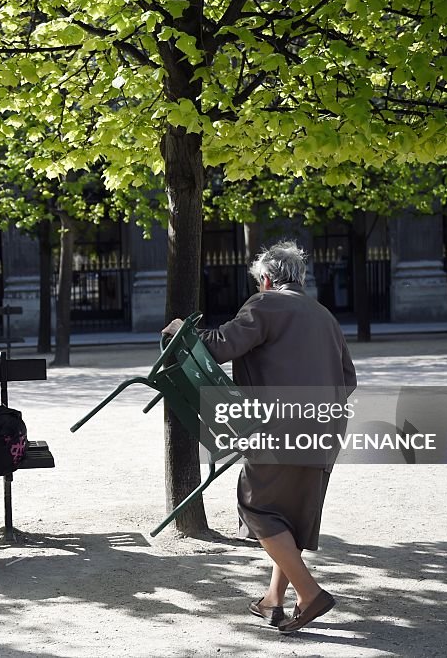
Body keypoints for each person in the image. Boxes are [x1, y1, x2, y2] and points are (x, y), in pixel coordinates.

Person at [163, 240, 357, 634]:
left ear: (266, 279)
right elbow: (348, 379)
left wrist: (184, 329)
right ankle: (273, 600)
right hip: (327, 429)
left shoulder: (264, 304)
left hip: (279, 428)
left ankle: (311, 593)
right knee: (291, 518)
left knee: (255, 507)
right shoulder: (324, 315)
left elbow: (221, 347)